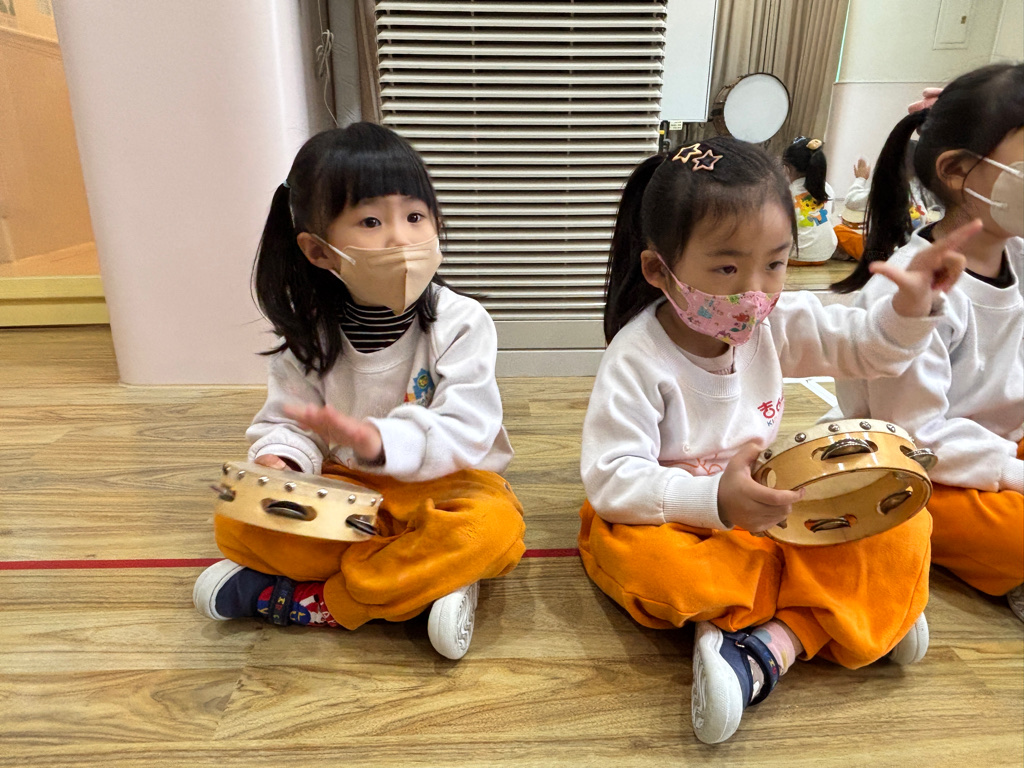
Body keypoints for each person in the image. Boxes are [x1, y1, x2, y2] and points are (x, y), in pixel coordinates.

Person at [578, 136, 977, 743]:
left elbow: (866, 350)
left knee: (906, 522)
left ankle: (768, 637)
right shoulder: (637, 357)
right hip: (669, 518)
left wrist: (909, 308)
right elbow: (612, 480)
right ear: (660, 271)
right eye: (727, 268)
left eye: (775, 263)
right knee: (658, 569)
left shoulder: (775, 320)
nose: (756, 290)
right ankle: (840, 612)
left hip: (769, 510)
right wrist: (715, 500)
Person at [192, 123, 526, 659]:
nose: (402, 239)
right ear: (318, 251)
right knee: (235, 519)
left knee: (491, 530)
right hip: (350, 491)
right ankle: (409, 582)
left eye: (415, 216)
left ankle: (325, 600)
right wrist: (280, 460)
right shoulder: (309, 334)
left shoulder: (462, 321)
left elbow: (469, 428)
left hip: (449, 486)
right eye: (371, 221)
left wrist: (381, 441)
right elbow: (288, 424)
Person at [832, 63, 1024, 621]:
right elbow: (916, 435)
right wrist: (1012, 471)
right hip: (921, 465)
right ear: (959, 172)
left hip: (999, 448)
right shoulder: (913, 291)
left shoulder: (1017, 254)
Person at [836, 149, 942, 261]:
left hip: (884, 256)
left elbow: (851, 200)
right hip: (914, 253)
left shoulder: (886, 189)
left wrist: (860, 179)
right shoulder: (917, 190)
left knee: (838, 231)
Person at [783, 137, 838, 264]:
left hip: (794, 256)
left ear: (788, 168)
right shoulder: (827, 188)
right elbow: (829, 214)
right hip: (824, 255)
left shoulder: (787, 192)